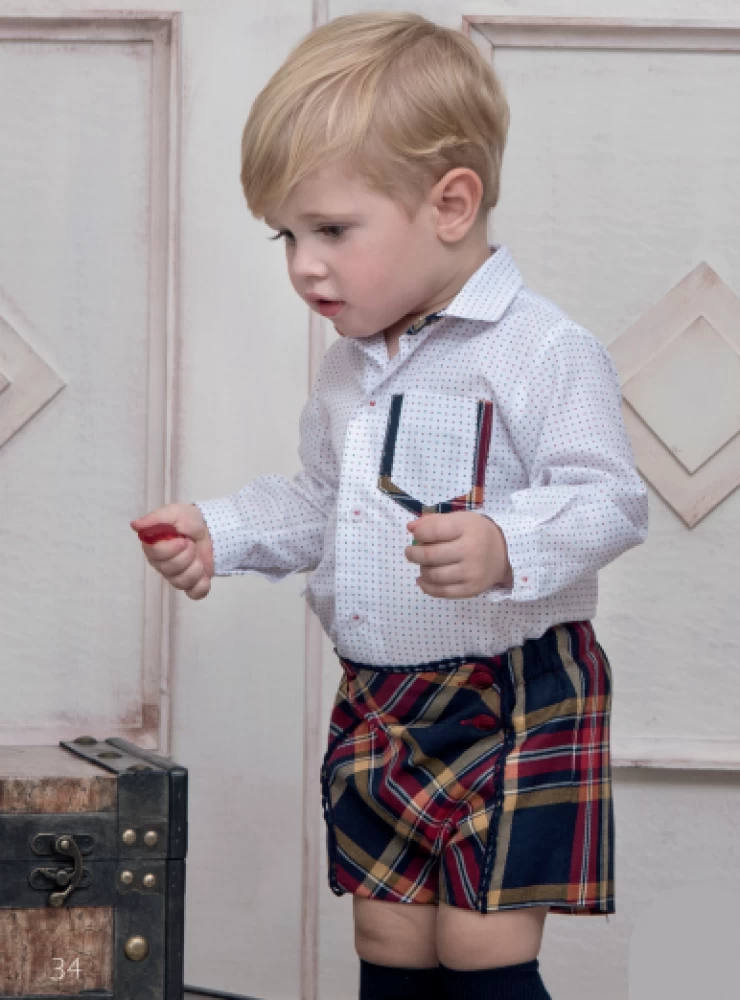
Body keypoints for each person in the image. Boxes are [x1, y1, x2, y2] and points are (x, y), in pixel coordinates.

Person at [131, 11, 648, 999]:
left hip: (507, 688)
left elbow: (607, 497)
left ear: (449, 203)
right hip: (383, 695)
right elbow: (323, 503)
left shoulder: (538, 349)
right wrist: (220, 530)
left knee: (478, 944)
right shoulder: (346, 370)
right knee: (390, 933)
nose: (302, 264)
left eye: (331, 229)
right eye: (287, 234)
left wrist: (506, 541)